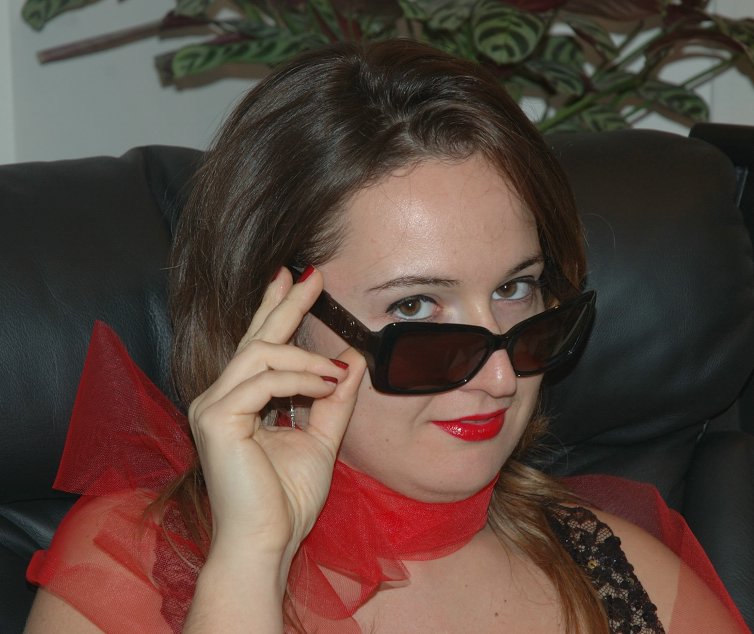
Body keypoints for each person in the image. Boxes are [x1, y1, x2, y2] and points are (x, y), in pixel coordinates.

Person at [23, 39, 747, 633]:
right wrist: (249, 564)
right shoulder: (135, 569)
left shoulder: (624, 579)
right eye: (415, 308)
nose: (501, 379)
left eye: (514, 289)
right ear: (277, 321)